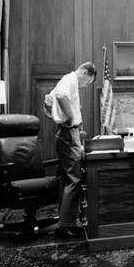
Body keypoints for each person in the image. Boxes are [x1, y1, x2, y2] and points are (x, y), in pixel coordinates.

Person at [48, 62, 97, 238]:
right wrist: (70, 118)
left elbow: (48, 100)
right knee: (75, 178)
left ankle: (65, 222)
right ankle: (66, 226)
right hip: (68, 133)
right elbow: (60, 96)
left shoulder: (67, 80)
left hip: (67, 132)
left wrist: (60, 118)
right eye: (88, 82)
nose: (85, 86)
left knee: (68, 177)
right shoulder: (70, 79)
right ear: (85, 72)